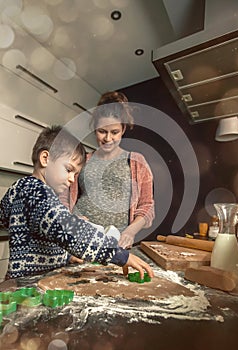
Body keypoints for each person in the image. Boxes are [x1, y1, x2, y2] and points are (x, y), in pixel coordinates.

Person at [0, 125, 154, 280]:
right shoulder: (38, 193)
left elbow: (30, 230)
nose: (72, 179)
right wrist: (118, 255)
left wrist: (65, 257)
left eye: (76, 174)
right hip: (29, 284)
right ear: (45, 159)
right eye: (68, 169)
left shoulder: (19, 187)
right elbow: (70, 231)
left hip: (22, 280)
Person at [60, 91, 155, 249]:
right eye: (102, 131)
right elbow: (64, 198)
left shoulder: (137, 161)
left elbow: (147, 206)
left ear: (123, 129)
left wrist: (130, 232)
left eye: (114, 132)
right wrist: (74, 218)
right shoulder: (82, 160)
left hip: (117, 243)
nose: (108, 138)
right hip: (81, 240)